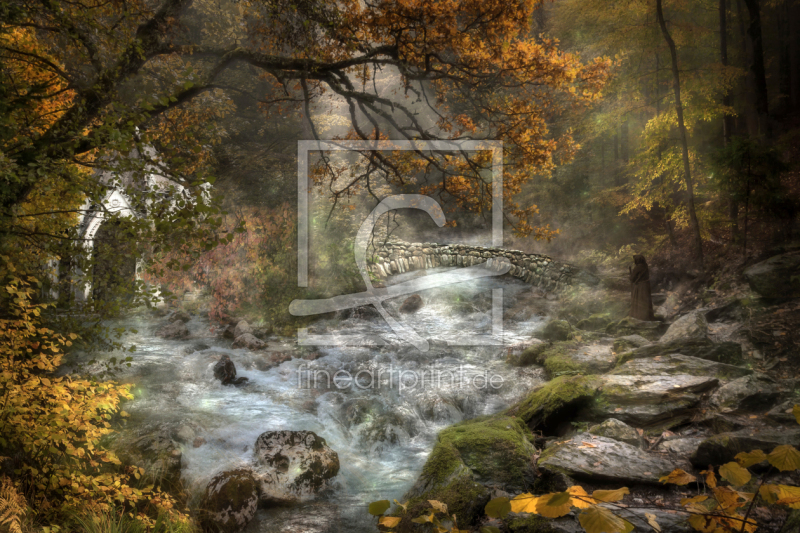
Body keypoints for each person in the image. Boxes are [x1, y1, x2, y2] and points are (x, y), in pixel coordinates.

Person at [629, 254, 655, 321]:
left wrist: (630, 275)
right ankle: (647, 317)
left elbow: (632, 279)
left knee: (639, 300)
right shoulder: (645, 266)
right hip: (646, 285)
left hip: (640, 286)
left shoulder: (637, 268)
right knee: (645, 301)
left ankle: (639, 317)